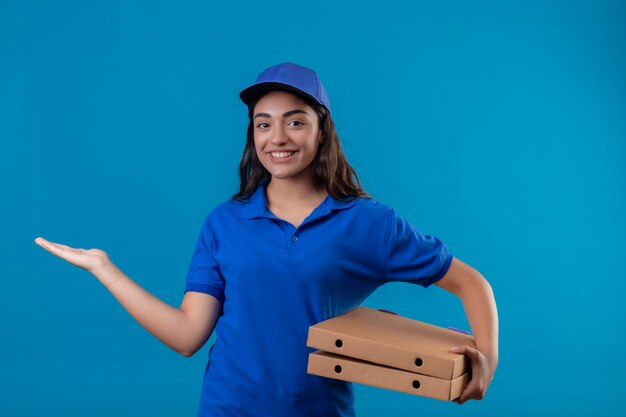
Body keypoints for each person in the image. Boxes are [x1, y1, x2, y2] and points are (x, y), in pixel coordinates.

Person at [35, 62, 498, 417]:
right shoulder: (224, 223)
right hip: (226, 407)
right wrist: (105, 270)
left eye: (295, 121)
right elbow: (187, 335)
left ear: (322, 132)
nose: (277, 137)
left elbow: (471, 283)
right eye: (263, 123)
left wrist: (487, 361)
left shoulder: (368, 224)